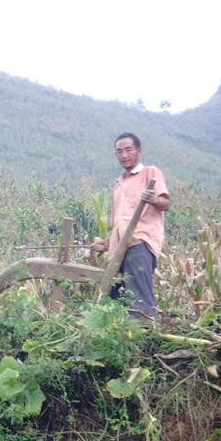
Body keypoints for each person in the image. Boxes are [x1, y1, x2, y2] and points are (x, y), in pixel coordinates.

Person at [92, 132, 170, 317]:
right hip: (119, 247)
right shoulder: (119, 184)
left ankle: (147, 330)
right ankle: (116, 334)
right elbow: (119, 223)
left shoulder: (150, 173)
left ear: (139, 151)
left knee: (138, 295)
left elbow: (165, 204)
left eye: (129, 150)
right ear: (115, 155)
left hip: (139, 242)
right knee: (114, 292)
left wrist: (152, 199)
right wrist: (107, 242)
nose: (124, 155)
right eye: (120, 151)